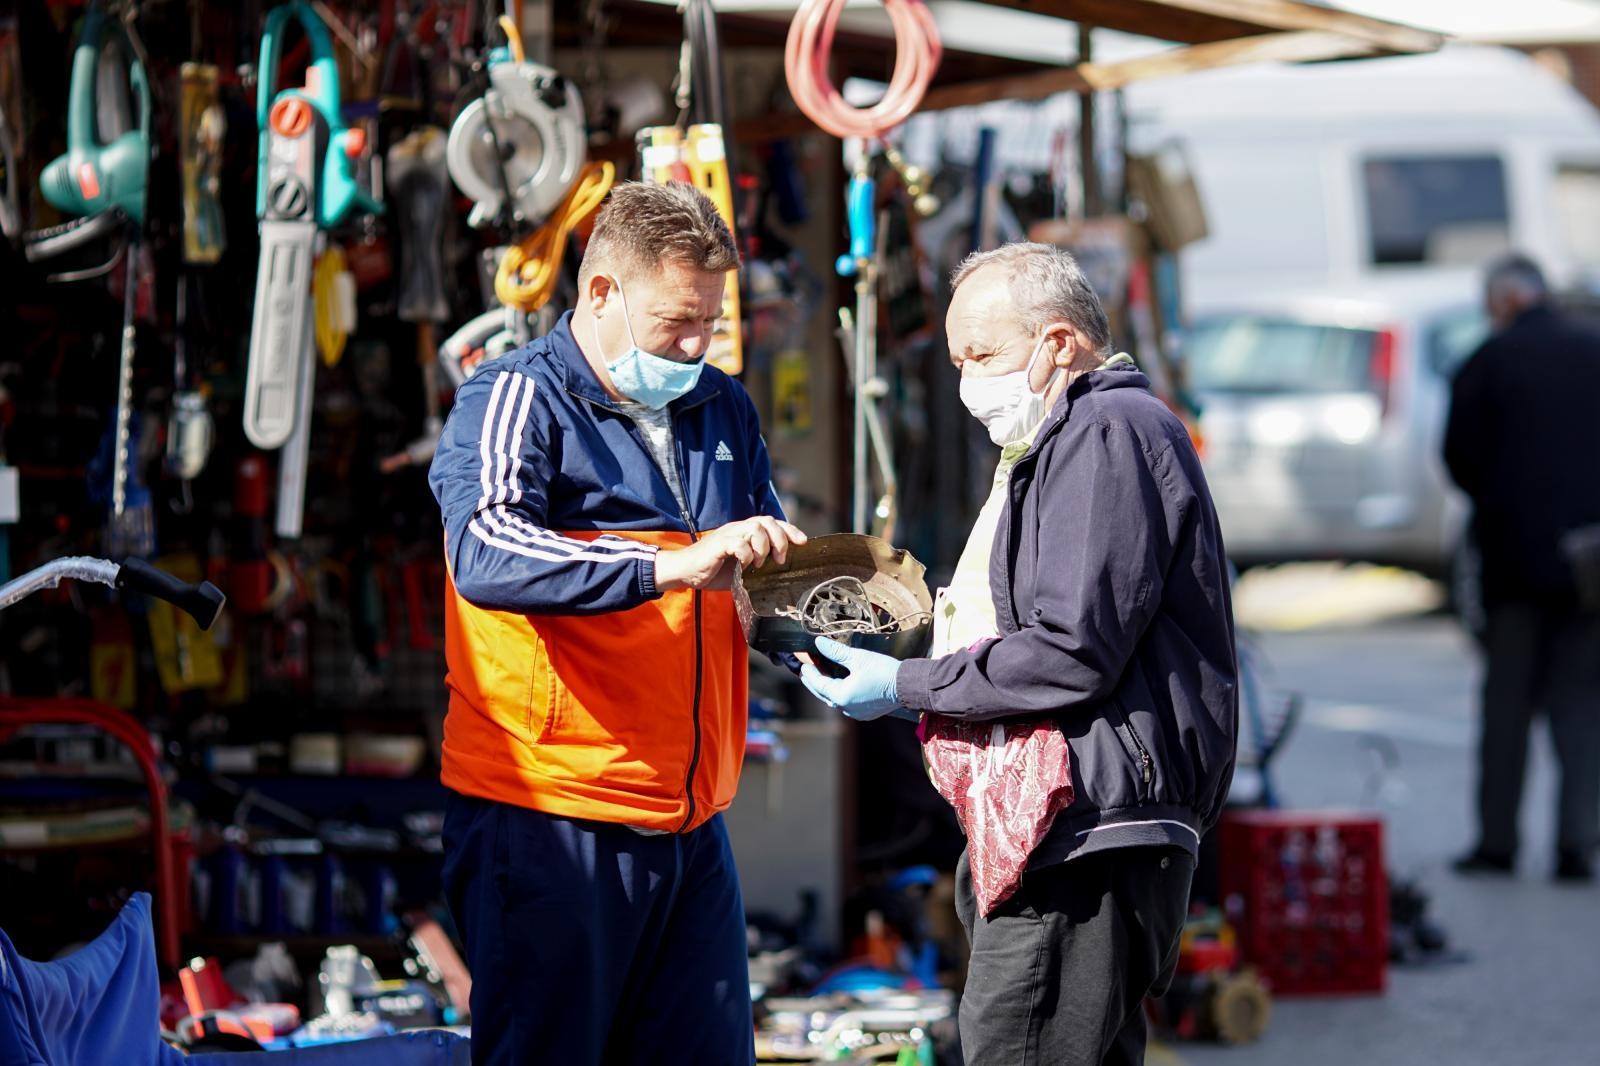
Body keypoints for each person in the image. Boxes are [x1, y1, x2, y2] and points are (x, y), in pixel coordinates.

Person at [802, 242, 1238, 1065]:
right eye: (957, 357)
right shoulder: (1071, 439)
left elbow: (1071, 650)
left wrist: (906, 683)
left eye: (985, 354)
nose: (969, 378)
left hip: (1086, 831)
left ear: (1059, 342)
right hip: (1084, 827)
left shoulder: (1107, 430)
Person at [428, 181, 804, 1065]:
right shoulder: (516, 397)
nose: (696, 344)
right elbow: (486, 548)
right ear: (601, 293)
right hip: (549, 821)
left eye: (709, 321)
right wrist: (667, 564)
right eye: (677, 320)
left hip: (689, 825)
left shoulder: (724, 407)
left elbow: (767, 572)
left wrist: (871, 646)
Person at [1443, 253, 1600, 883]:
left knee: (1506, 708)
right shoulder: (1593, 350)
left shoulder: (1489, 360)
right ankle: (1577, 842)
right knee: (1582, 706)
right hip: (1591, 566)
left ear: (1505, 299)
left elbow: (1459, 459)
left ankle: (1498, 841)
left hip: (1512, 565)